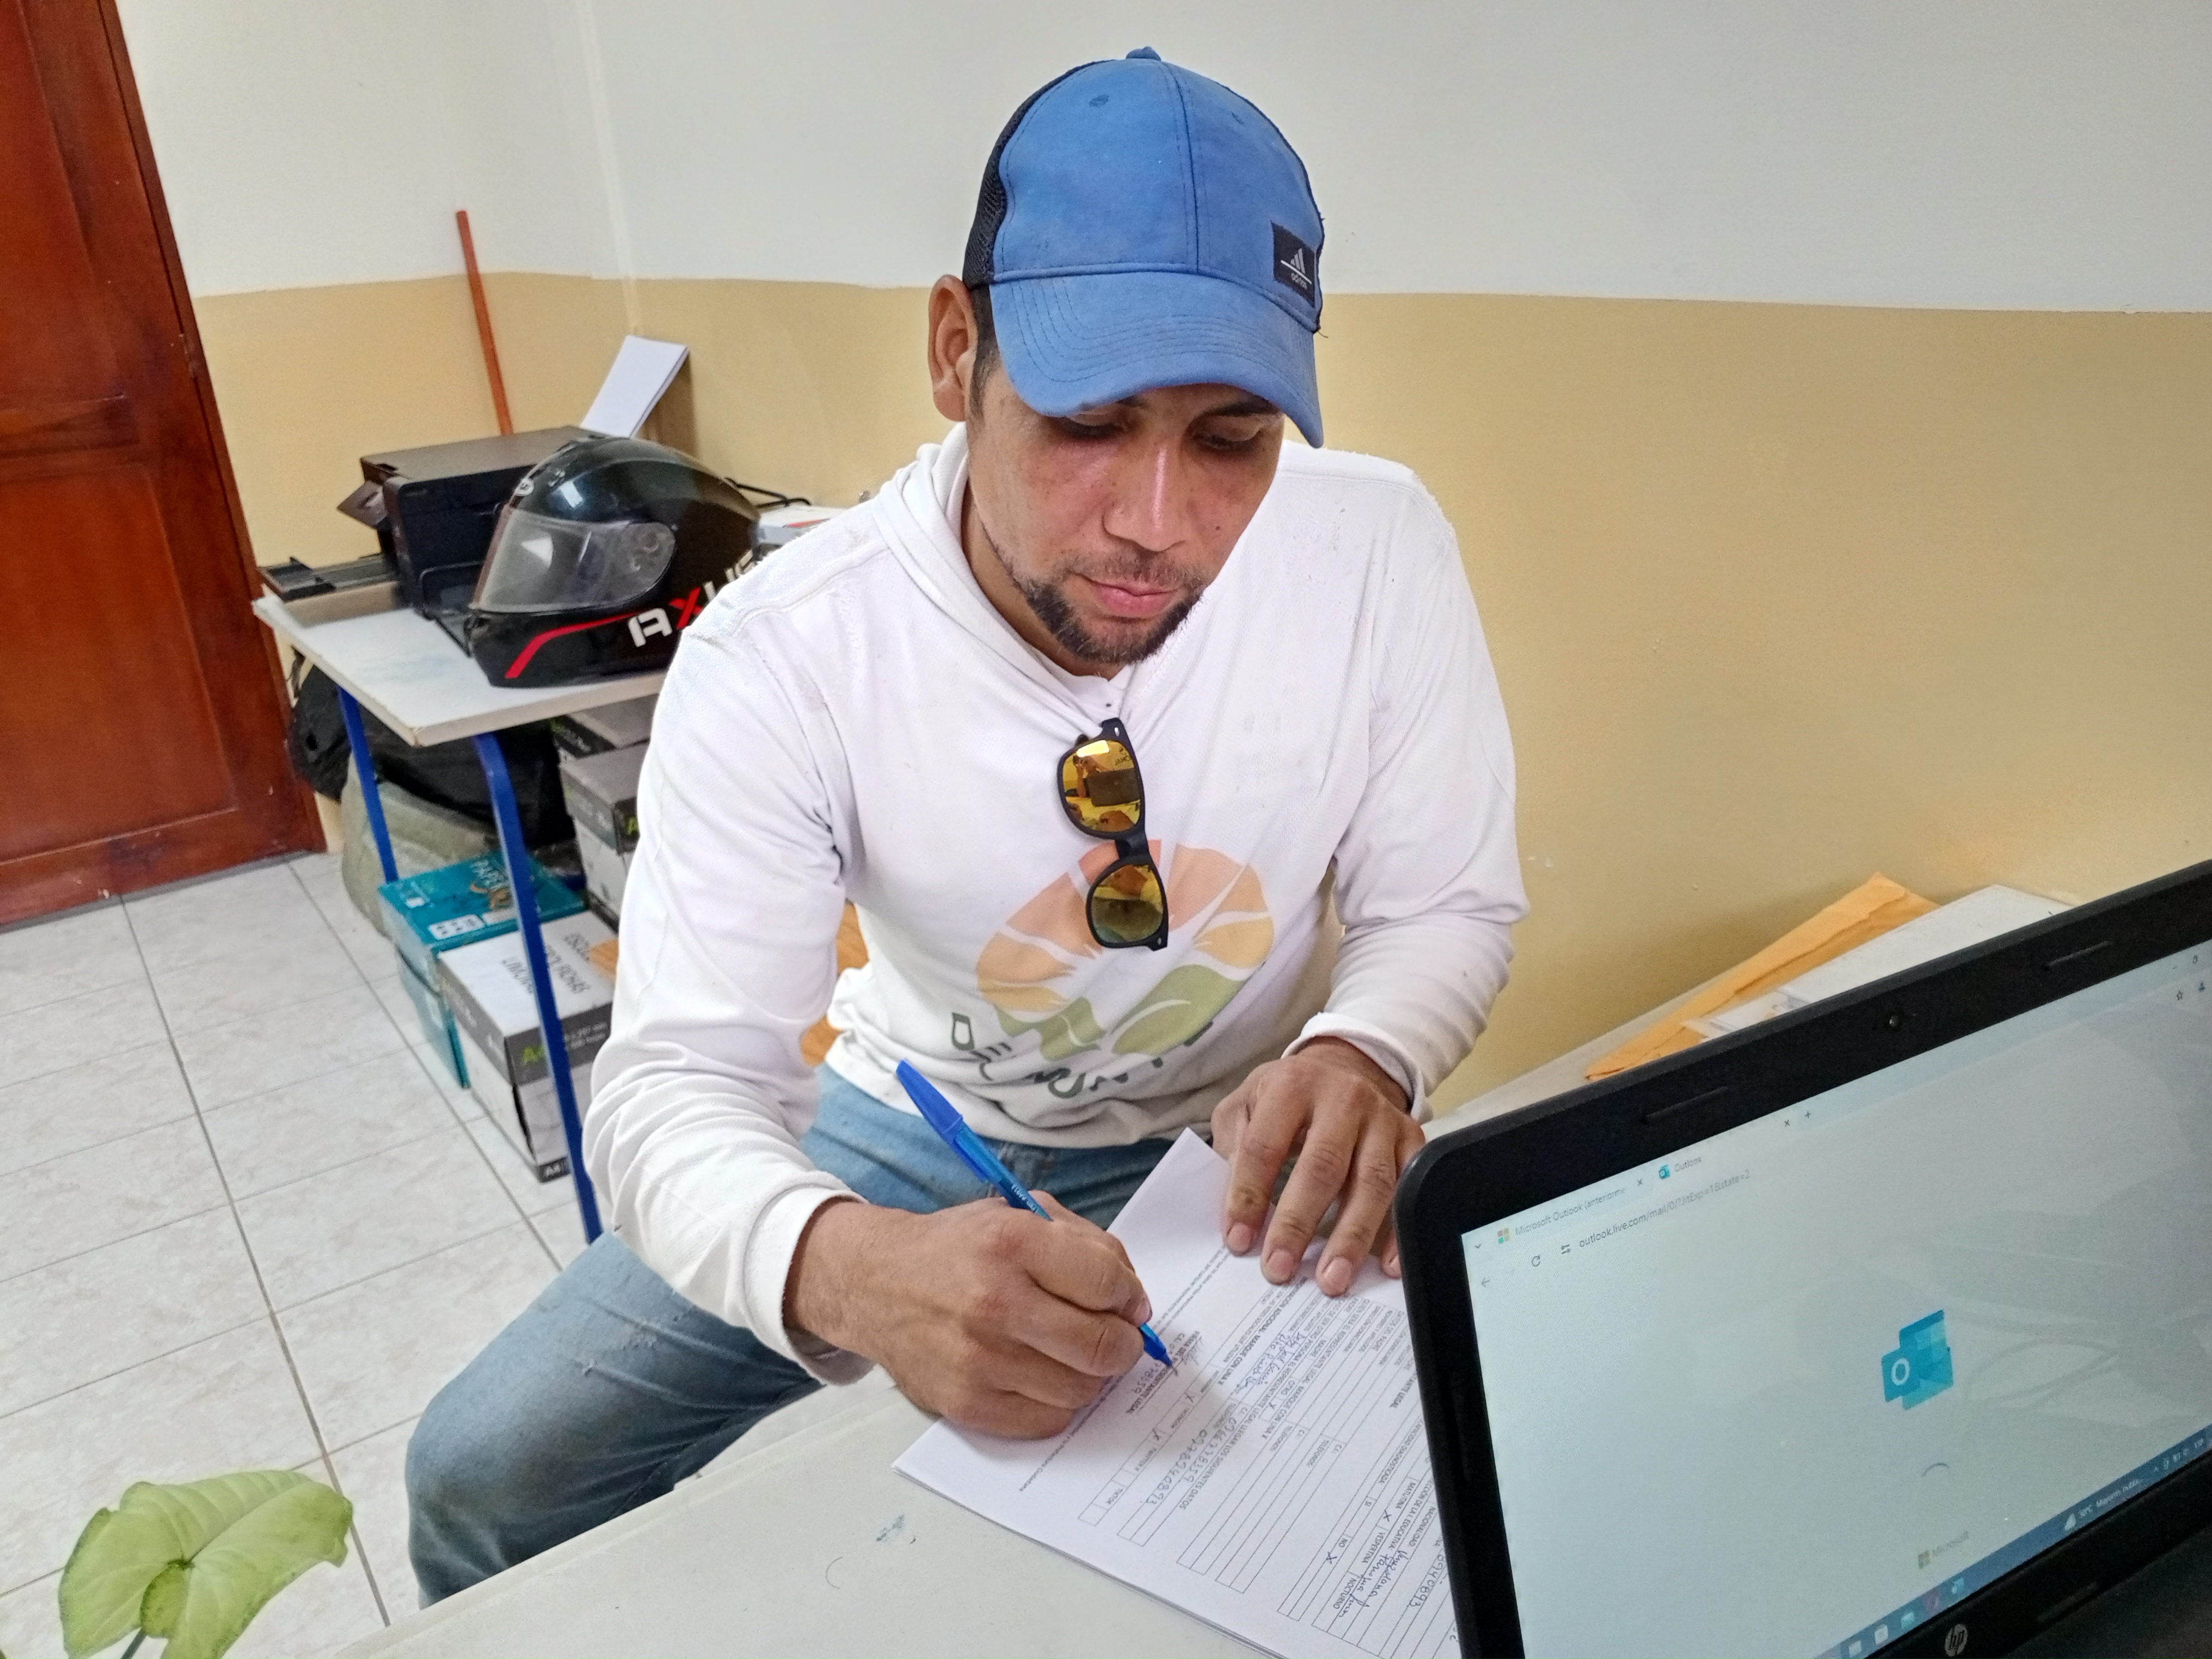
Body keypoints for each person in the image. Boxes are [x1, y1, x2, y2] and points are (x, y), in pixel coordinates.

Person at [405, 46, 1524, 1602]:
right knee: (483, 1470)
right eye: (1089, 418)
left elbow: (1445, 904)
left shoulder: (1374, 549)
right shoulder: (791, 652)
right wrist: (850, 1267)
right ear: (956, 351)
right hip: (921, 1121)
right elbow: (675, 1089)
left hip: (1251, 1143)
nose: (1156, 522)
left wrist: (1365, 1053)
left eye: (1230, 439)